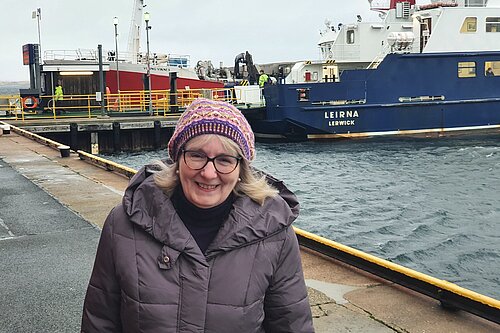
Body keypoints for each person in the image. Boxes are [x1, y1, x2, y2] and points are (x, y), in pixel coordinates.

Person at [81, 98, 314, 333]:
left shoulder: (275, 235)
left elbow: (291, 323)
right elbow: (100, 322)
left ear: (242, 169)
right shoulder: (122, 225)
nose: (209, 173)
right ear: (178, 160)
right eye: (196, 156)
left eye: (225, 160)